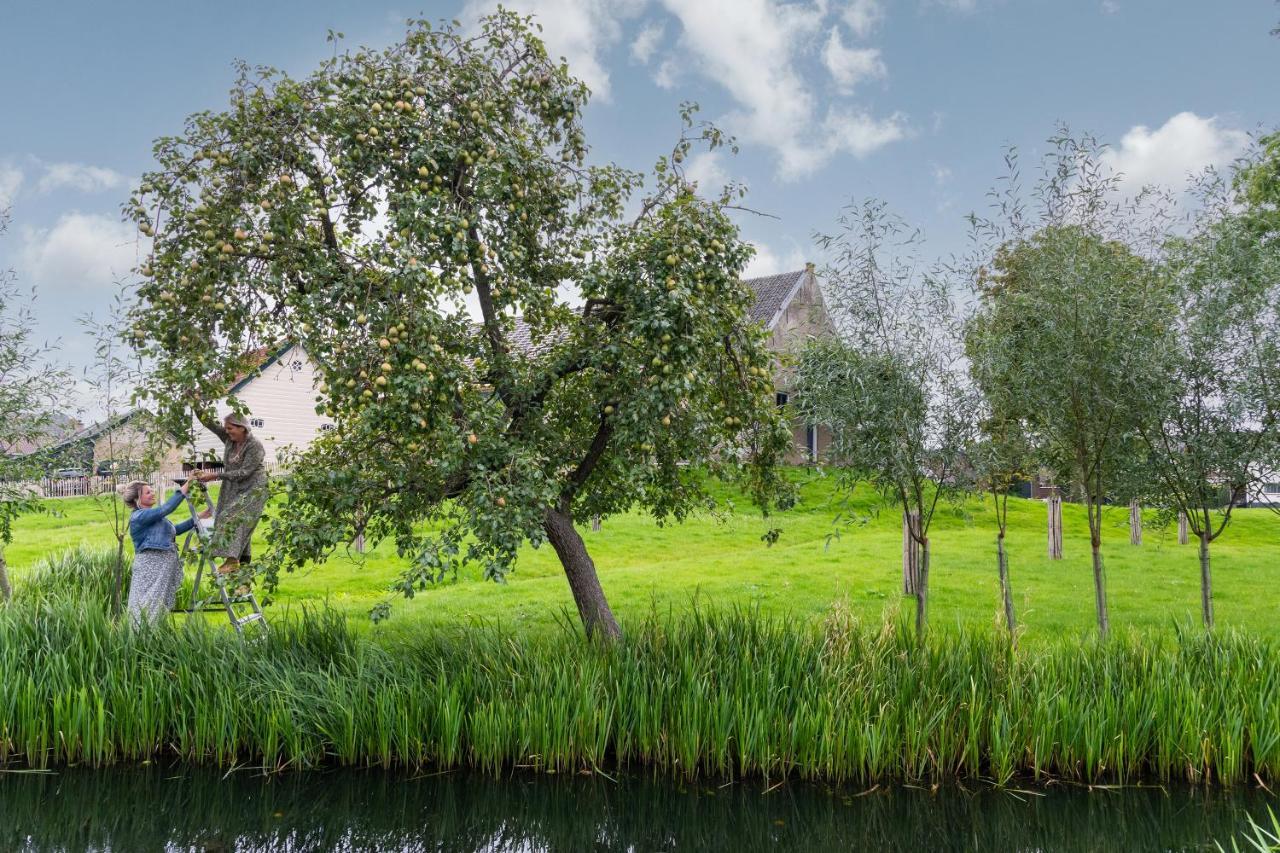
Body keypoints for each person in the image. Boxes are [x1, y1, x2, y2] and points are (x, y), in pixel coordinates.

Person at [193, 411, 268, 577]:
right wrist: (196, 403)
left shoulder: (254, 445)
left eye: (230, 428)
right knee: (237, 527)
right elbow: (209, 422)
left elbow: (245, 472)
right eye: (226, 429)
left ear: (242, 427)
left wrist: (215, 475)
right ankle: (243, 579)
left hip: (254, 488)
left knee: (232, 517)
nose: (227, 431)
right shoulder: (228, 439)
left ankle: (232, 559)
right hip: (233, 486)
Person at [122, 478, 193, 624]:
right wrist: (186, 486)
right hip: (150, 569)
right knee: (146, 606)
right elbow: (167, 508)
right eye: (148, 492)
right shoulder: (139, 517)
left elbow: (175, 531)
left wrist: (198, 519)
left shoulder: (154, 518)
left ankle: (150, 640)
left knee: (155, 608)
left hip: (160, 569)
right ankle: (140, 640)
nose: (152, 493)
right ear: (137, 499)